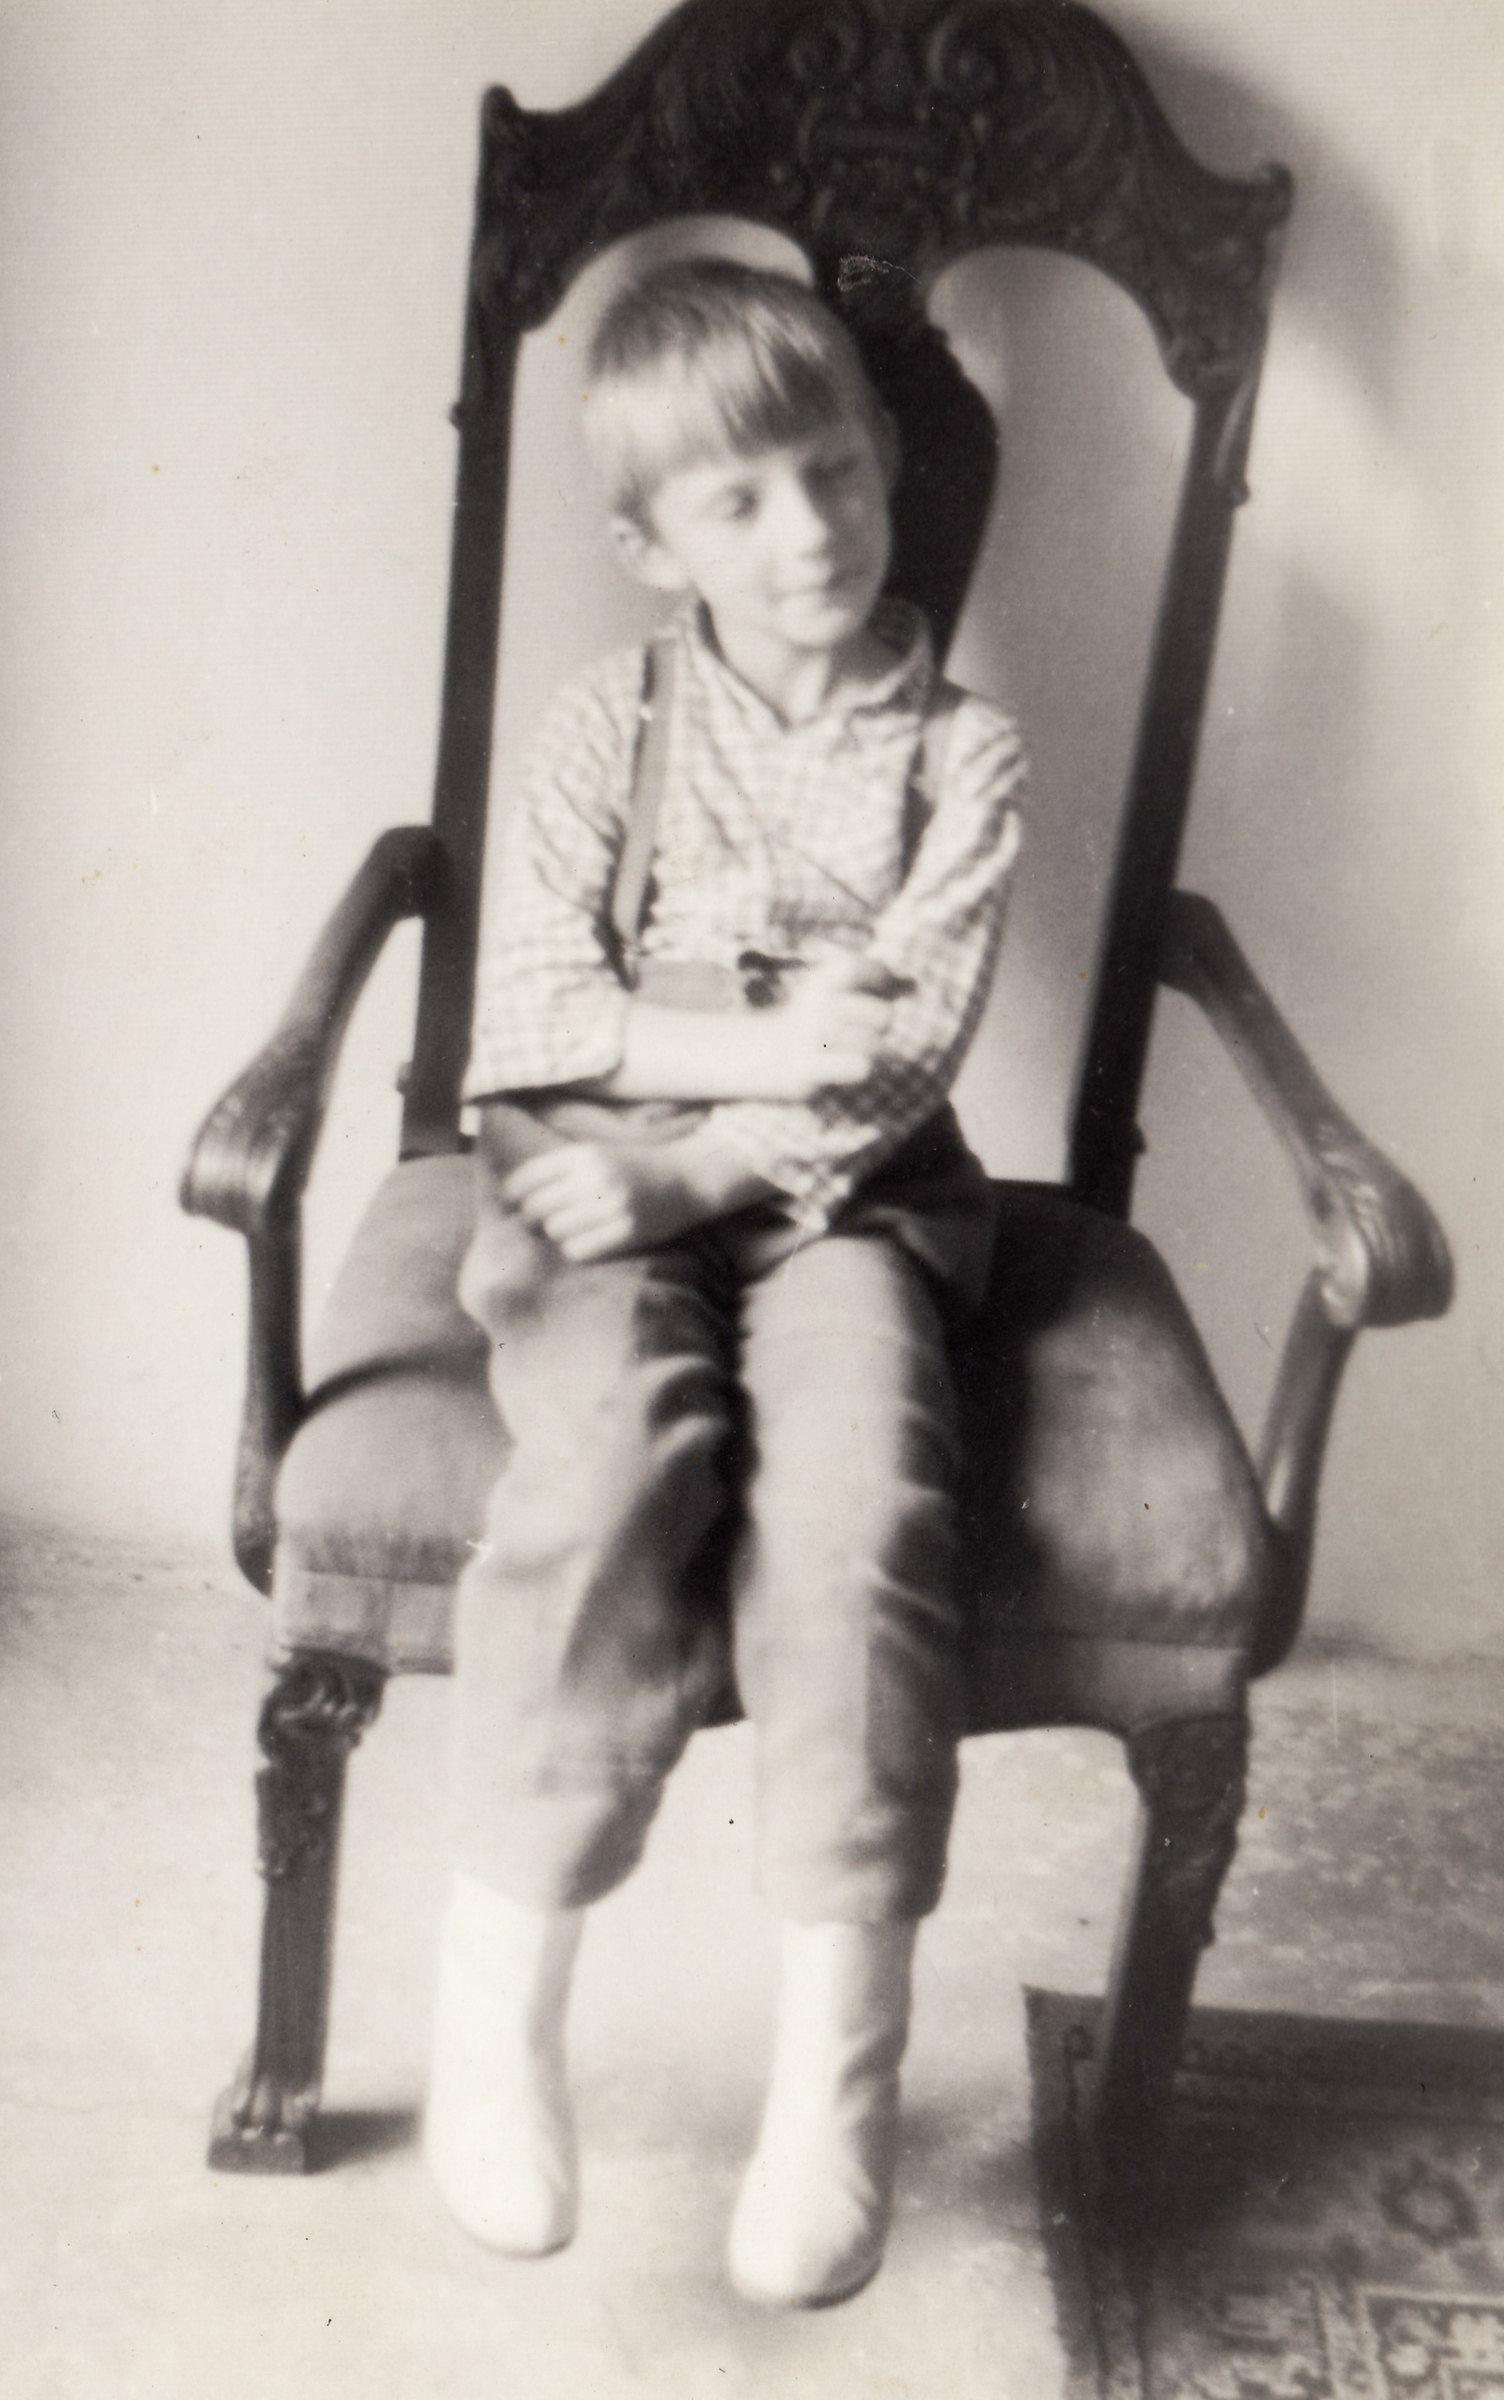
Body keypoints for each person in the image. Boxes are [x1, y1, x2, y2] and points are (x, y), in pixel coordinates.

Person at [424, 258, 1027, 2307]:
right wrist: (767, 1042)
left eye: (835, 469)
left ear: (887, 462)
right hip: (589, 1180)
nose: (809, 532)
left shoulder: (965, 758)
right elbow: (532, 1007)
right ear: (650, 545)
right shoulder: (607, 726)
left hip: (839, 1201)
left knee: (861, 1507)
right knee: (616, 1457)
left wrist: (692, 1149)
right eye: (740, 500)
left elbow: (908, 1056)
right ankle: (499, 2003)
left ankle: (835, 2079)